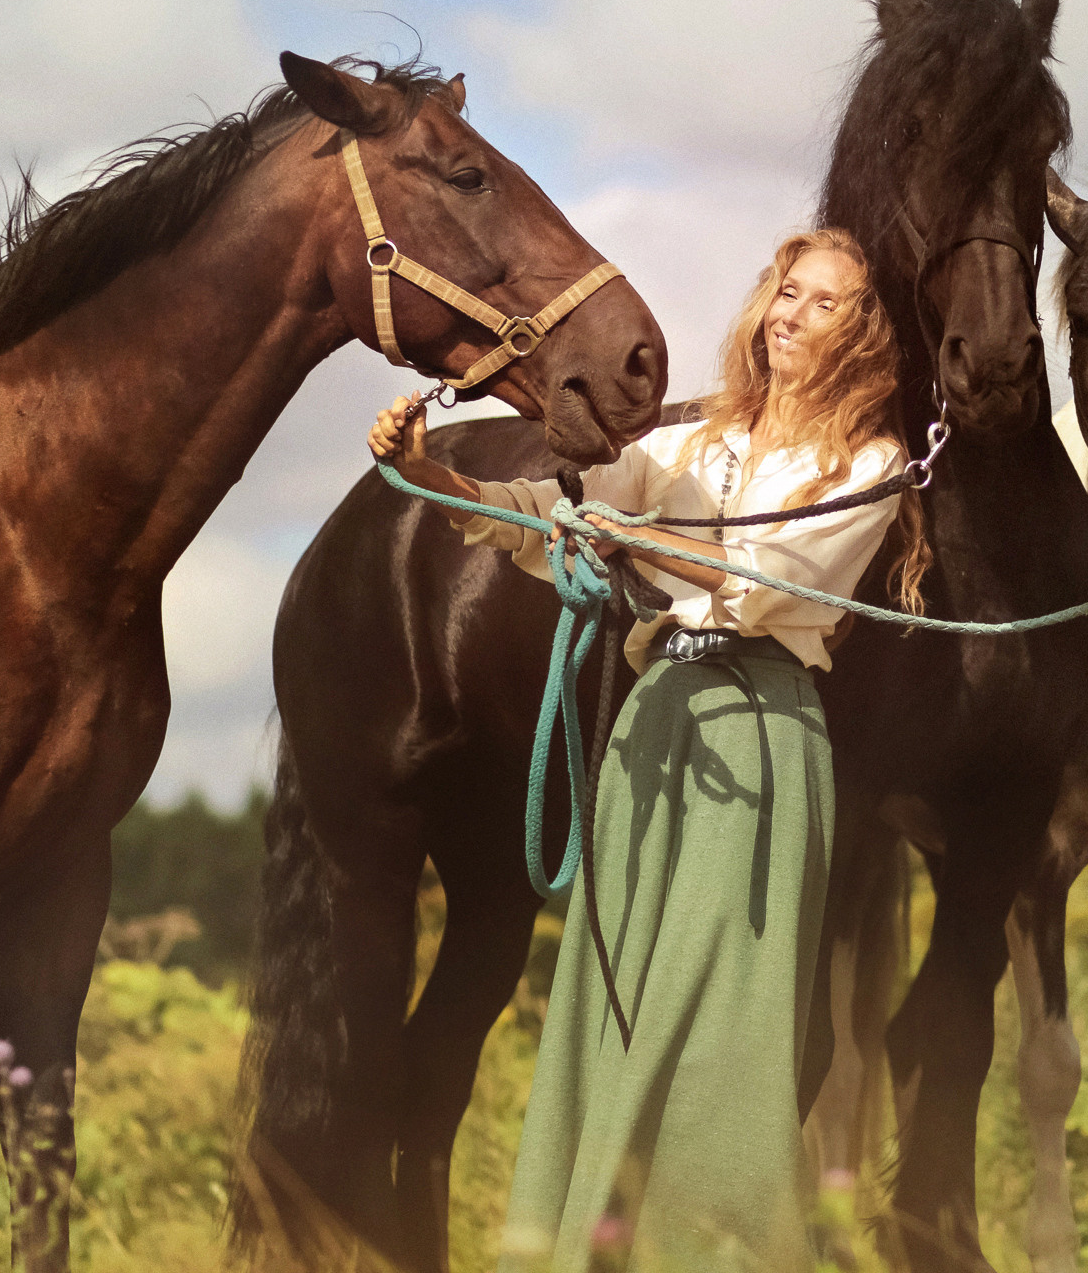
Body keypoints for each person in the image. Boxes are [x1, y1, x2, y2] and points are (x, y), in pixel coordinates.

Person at [367, 227, 928, 1271]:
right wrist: (433, 471)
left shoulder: (872, 465)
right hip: (657, 725)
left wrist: (639, 540)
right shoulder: (692, 443)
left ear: (865, 332)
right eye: (786, 293)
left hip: (758, 733)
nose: (792, 316)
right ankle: (594, 1246)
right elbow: (558, 515)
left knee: (724, 1011)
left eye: (825, 302)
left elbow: (771, 586)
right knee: (616, 995)